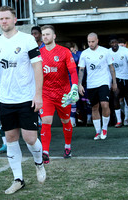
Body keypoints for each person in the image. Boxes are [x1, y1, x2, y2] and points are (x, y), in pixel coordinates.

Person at [0, 6, 46, 195]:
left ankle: (39, 162)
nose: (3, 21)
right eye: (0, 18)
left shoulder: (27, 39)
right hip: (6, 100)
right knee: (11, 139)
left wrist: (38, 94)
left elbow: (37, 67)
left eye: (6, 18)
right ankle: (18, 179)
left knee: (30, 138)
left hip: (27, 98)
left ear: (15, 19)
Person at [39, 25, 79, 164]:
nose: (45, 37)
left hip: (63, 95)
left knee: (66, 121)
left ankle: (67, 147)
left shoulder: (64, 52)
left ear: (54, 36)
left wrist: (74, 87)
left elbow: (73, 71)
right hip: (46, 94)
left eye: (48, 34)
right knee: (46, 121)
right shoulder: (39, 53)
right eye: (43, 34)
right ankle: (45, 152)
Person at [78, 32, 117, 140]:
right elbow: (81, 69)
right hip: (91, 84)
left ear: (97, 41)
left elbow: (111, 67)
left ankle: (104, 128)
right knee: (94, 107)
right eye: (89, 42)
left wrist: (114, 82)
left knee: (105, 104)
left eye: (92, 41)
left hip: (103, 82)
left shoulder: (105, 52)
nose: (90, 44)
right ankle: (97, 131)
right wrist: (79, 84)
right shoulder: (84, 54)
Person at [109, 36, 128, 128]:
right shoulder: (108, 53)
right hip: (116, 78)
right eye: (112, 43)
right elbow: (108, 69)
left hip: (127, 78)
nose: (114, 44)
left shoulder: (125, 51)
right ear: (110, 44)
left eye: (115, 42)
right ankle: (119, 121)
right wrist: (110, 82)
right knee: (116, 96)